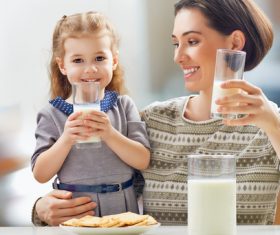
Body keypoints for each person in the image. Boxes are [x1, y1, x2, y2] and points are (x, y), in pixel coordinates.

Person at [32, 0, 280, 226]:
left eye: (192, 41)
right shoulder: (154, 120)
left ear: (234, 43)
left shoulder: (271, 127)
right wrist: (40, 209)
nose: (178, 56)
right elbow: (95, 176)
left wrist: (274, 125)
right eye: (175, 43)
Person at [31, 11, 150, 221]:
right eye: (78, 60)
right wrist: (67, 138)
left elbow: (142, 160)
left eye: (99, 58)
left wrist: (109, 133)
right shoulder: (51, 114)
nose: (91, 68)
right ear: (63, 66)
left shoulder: (123, 105)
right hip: (77, 214)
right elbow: (40, 174)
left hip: (123, 209)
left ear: (113, 61)